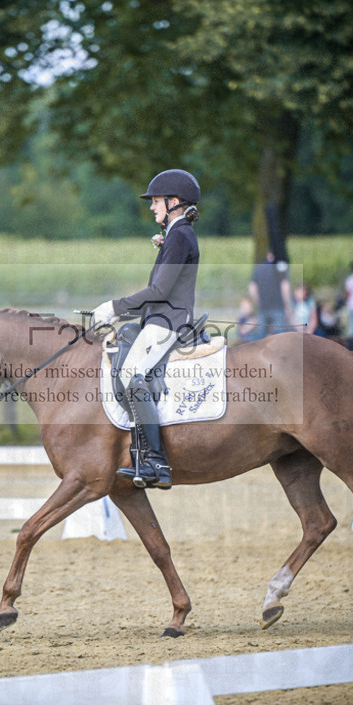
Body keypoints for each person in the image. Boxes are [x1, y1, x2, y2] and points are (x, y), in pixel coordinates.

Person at [92, 169, 201, 490]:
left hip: (168, 321)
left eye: (156, 202)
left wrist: (114, 307)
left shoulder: (179, 236)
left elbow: (159, 292)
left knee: (130, 375)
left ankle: (155, 460)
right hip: (160, 318)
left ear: (174, 202)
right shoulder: (175, 234)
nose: (152, 208)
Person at [248, 251, 291, 339]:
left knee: (260, 336)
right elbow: (285, 286)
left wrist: (258, 301)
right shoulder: (280, 268)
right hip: (278, 307)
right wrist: (286, 304)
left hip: (263, 307)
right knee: (279, 336)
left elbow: (252, 287)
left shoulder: (259, 268)